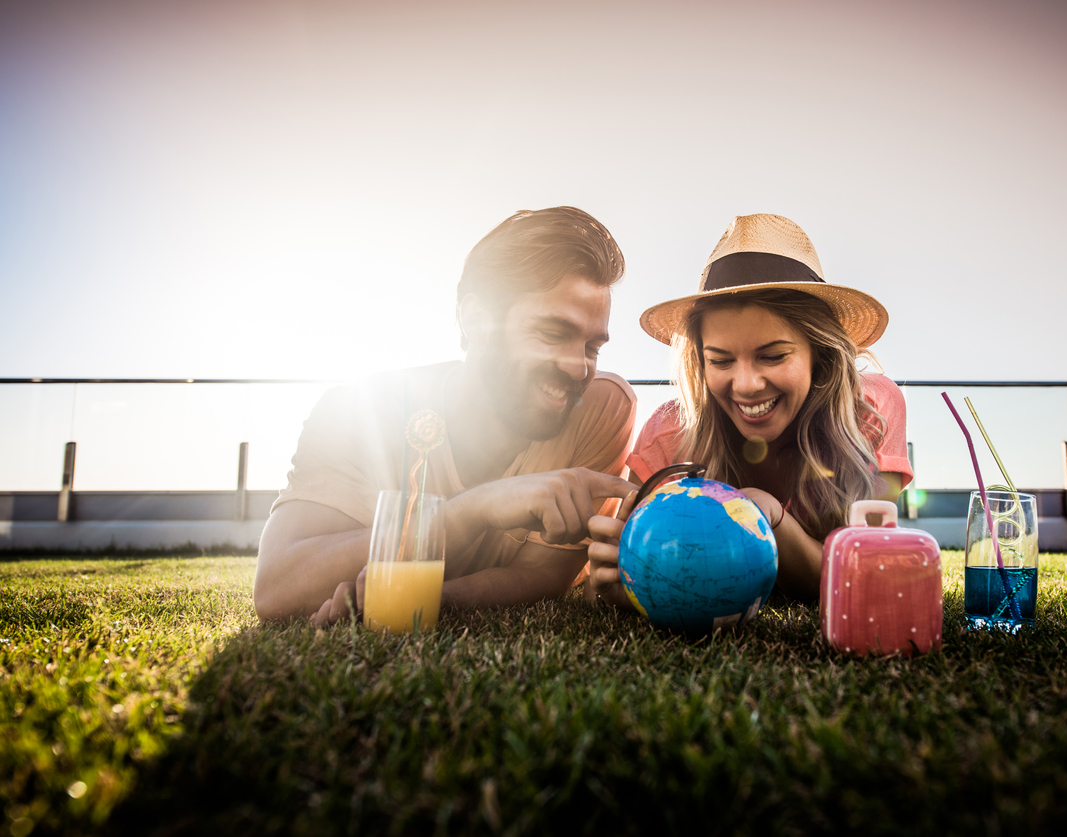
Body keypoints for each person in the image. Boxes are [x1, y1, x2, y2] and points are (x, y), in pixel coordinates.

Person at [254, 206, 637, 623]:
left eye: (593, 347)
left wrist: (426, 597)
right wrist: (470, 512)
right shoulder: (359, 410)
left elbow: (543, 574)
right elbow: (277, 589)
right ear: (475, 318)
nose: (578, 367)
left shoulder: (602, 407)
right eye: (552, 333)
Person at [587, 213, 912, 606]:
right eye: (721, 361)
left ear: (820, 354)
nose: (745, 385)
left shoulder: (870, 411)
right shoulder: (670, 433)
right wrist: (616, 582)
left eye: (773, 356)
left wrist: (774, 521)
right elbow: (606, 585)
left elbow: (863, 582)